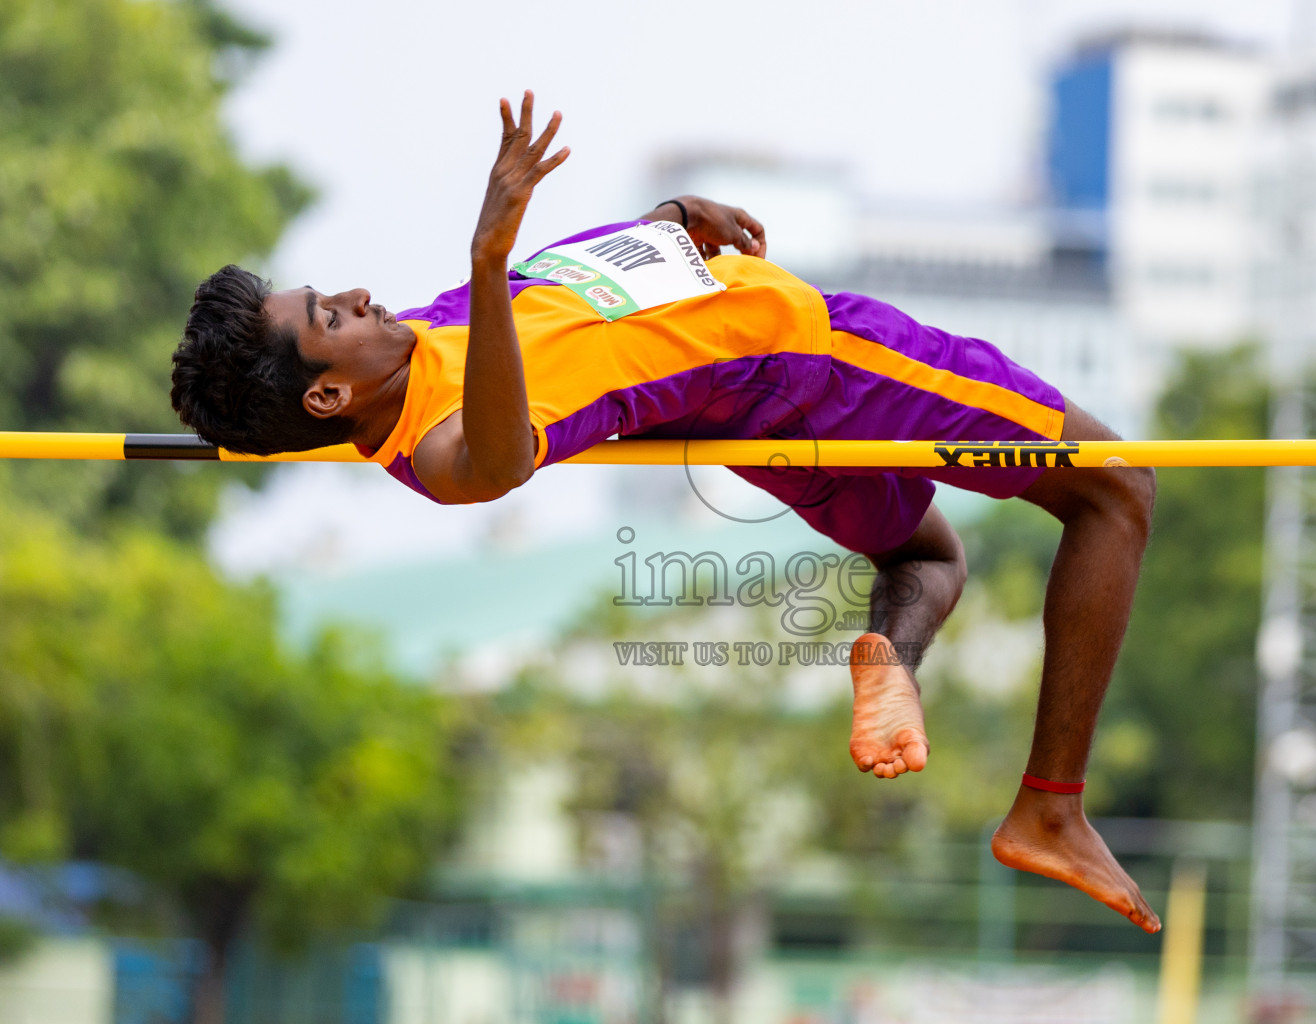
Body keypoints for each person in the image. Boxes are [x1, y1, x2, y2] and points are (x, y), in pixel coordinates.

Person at [170, 94, 1161, 933]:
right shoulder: (439, 444)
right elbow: (504, 451)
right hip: (810, 359)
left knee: (927, 556)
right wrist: (484, 252)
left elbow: (562, 303)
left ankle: (890, 661)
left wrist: (668, 220)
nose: (352, 295)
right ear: (328, 398)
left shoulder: (422, 340)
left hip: (752, 412)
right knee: (1114, 486)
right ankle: (1049, 807)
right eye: (328, 319)